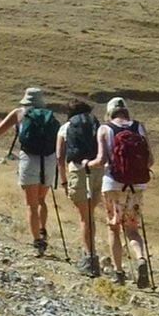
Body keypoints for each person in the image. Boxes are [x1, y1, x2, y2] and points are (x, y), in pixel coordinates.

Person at [0, 86, 60, 255]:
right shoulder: (49, 116)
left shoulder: (19, 113)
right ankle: (43, 231)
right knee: (42, 199)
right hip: (49, 159)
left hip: (29, 159)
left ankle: (37, 242)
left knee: (31, 204)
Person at [93, 96, 152, 287]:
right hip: (137, 185)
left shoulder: (105, 129)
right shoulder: (139, 127)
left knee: (114, 227)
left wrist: (87, 164)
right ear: (126, 110)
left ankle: (119, 273)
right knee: (132, 229)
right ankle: (141, 258)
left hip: (113, 184)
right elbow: (150, 161)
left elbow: (101, 160)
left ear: (109, 112)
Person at [58, 98, 103, 275]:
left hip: (77, 171)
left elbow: (60, 158)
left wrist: (63, 181)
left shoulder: (66, 127)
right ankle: (92, 256)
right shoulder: (96, 126)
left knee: (84, 218)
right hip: (96, 171)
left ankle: (89, 259)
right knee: (89, 216)